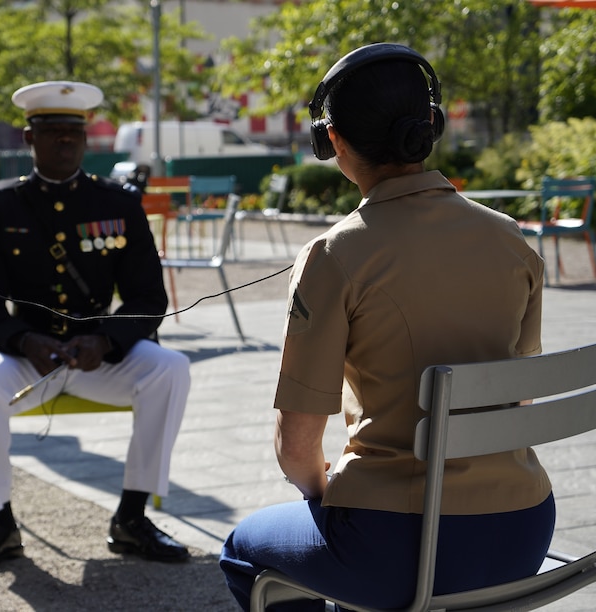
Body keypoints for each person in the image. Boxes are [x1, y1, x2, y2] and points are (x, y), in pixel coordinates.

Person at [218, 43, 555, 609]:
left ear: (333, 143)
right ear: (432, 126)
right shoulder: (510, 238)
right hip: (523, 533)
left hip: (400, 547)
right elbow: (517, 400)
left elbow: (297, 448)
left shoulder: (334, 255)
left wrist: (328, 499)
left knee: (243, 549)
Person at [0, 80, 192, 574]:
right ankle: (0, 526)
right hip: (27, 356)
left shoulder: (118, 205)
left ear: (86, 140)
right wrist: (22, 339)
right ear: (29, 138)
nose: (65, 141)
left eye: (74, 133)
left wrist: (106, 338)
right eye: (52, 132)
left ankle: (131, 518)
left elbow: (149, 297)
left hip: (97, 354)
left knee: (170, 368)